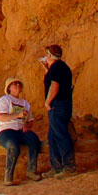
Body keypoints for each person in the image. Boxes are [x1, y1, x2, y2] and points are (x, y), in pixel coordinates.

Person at [0, 77, 44, 184]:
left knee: (35, 141)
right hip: (6, 130)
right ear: (9, 88)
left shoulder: (25, 103)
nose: (17, 86)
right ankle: (8, 176)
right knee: (13, 146)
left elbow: (31, 120)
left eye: (19, 84)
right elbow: (1, 117)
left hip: (20, 130)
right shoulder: (4, 100)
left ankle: (31, 171)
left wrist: (27, 125)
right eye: (14, 84)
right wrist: (17, 115)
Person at [42, 43, 76, 174]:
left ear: (50, 55)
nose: (45, 57)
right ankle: (56, 167)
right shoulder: (61, 67)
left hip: (57, 105)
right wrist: (47, 70)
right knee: (53, 136)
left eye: (47, 54)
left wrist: (48, 102)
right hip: (63, 104)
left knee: (61, 135)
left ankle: (69, 167)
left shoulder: (56, 68)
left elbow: (55, 85)